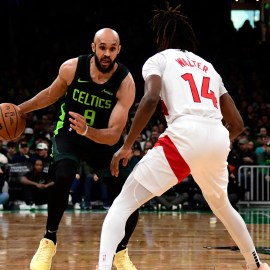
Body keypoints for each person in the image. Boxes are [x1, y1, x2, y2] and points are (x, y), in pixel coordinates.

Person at [97, 4, 270, 270]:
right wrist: (215, 145)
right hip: (216, 136)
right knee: (223, 206)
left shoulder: (159, 60)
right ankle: (256, 265)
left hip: (184, 134)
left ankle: (103, 266)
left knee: (122, 204)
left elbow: (151, 98)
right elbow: (237, 123)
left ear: (163, 37)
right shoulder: (209, 67)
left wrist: (127, 145)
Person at [17, 28, 138, 270]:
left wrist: (88, 131)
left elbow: (114, 133)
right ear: (93, 47)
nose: (106, 53)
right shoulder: (72, 68)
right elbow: (50, 95)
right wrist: (20, 110)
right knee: (63, 175)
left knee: (129, 198)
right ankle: (49, 240)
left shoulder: (125, 82)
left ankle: (120, 251)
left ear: (119, 50)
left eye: (112, 49)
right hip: (70, 133)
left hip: (102, 140)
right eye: (102, 47)